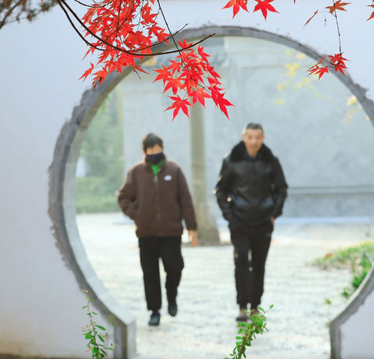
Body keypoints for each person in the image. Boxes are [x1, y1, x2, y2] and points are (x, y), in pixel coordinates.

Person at [118, 133, 198, 326]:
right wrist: (138, 214)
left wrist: (192, 227)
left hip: (171, 232)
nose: (155, 152)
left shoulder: (174, 170)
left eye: (158, 149)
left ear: (162, 148)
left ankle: (172, 296)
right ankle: (154, 311)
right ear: (145, 151)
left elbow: (185, 200)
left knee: (175, 268)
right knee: (150, 273)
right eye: (151, 149)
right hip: (147, 234)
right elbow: (123, 198)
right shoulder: (136, 172)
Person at [215, 123, 288, 323]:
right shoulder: (231, 161)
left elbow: (281, 188)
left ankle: (255, 305)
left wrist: (274, 213)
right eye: (250, 137)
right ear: (243, 137)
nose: (254, 141)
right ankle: (242, 306)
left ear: (263, 138)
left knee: (258, 264)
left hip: (263, 221)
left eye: (257, 137)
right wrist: (230, 216)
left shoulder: (270, 161)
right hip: (239, 221)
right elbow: (221, 190)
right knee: (241, 262)